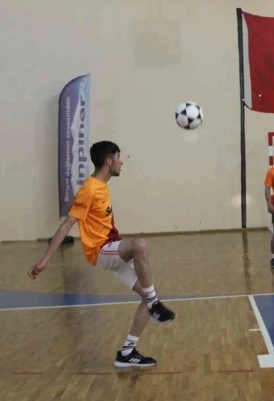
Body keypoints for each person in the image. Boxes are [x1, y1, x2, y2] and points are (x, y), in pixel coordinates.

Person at [27, 141, 176, 368]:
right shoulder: (89, 189)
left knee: (147, 295)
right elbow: (67, 225)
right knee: (139, 245)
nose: (122, 161)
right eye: (118, 157)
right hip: (100, 250)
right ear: (108, 161)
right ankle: (155, 303)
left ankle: (127, 352)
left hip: (111, 247)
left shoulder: (102, 186)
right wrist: (44, 260)